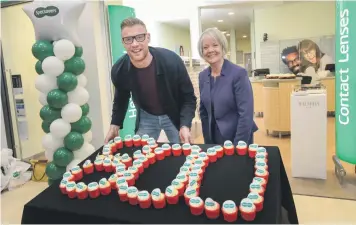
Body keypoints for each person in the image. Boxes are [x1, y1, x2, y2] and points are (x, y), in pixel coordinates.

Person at [104, 18, 196, 144]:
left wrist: (185, 124)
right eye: (128, 39)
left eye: (140, 37)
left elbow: (188, 98)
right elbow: (121, 99)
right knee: (140, 153)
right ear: (123, 43)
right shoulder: (119, 70)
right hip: (147, 115)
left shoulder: (172, 61)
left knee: (183, 153)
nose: (135, 44)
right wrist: (115, 125)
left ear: (148, 37)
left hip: (174, 113)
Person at [198, 28, 258, 146]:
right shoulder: (203, 76)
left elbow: (246, 114)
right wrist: (207, 142)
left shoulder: (238, 74)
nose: (210, 50)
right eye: (205, 47)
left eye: (215, 45)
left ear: (222, 47)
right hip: (213, 138)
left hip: (238, 136)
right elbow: (204, 111)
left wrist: (238, 146)